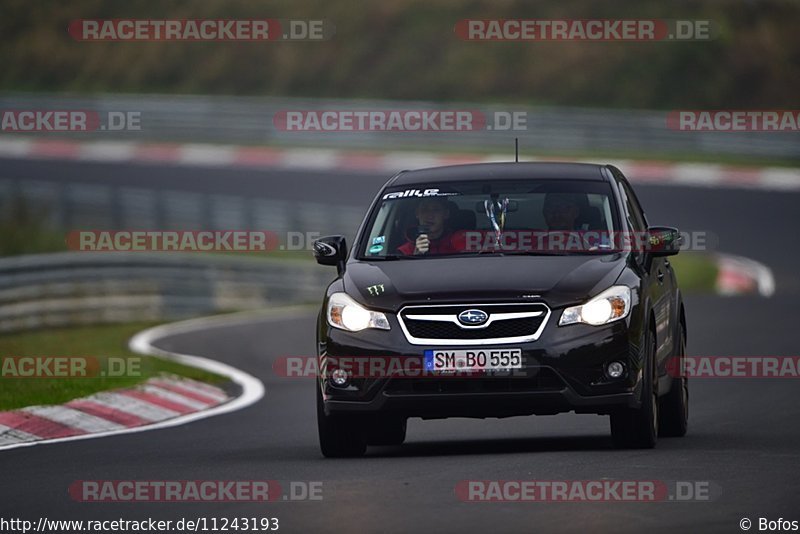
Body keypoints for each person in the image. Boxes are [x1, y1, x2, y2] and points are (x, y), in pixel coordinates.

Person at [397, 197, 462, 255]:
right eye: (424, 210)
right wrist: (416, 257)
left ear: (446, 214)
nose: (430, 216)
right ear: (417, 214)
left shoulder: (461, 244)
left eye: (436, 210)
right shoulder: (404, 252)